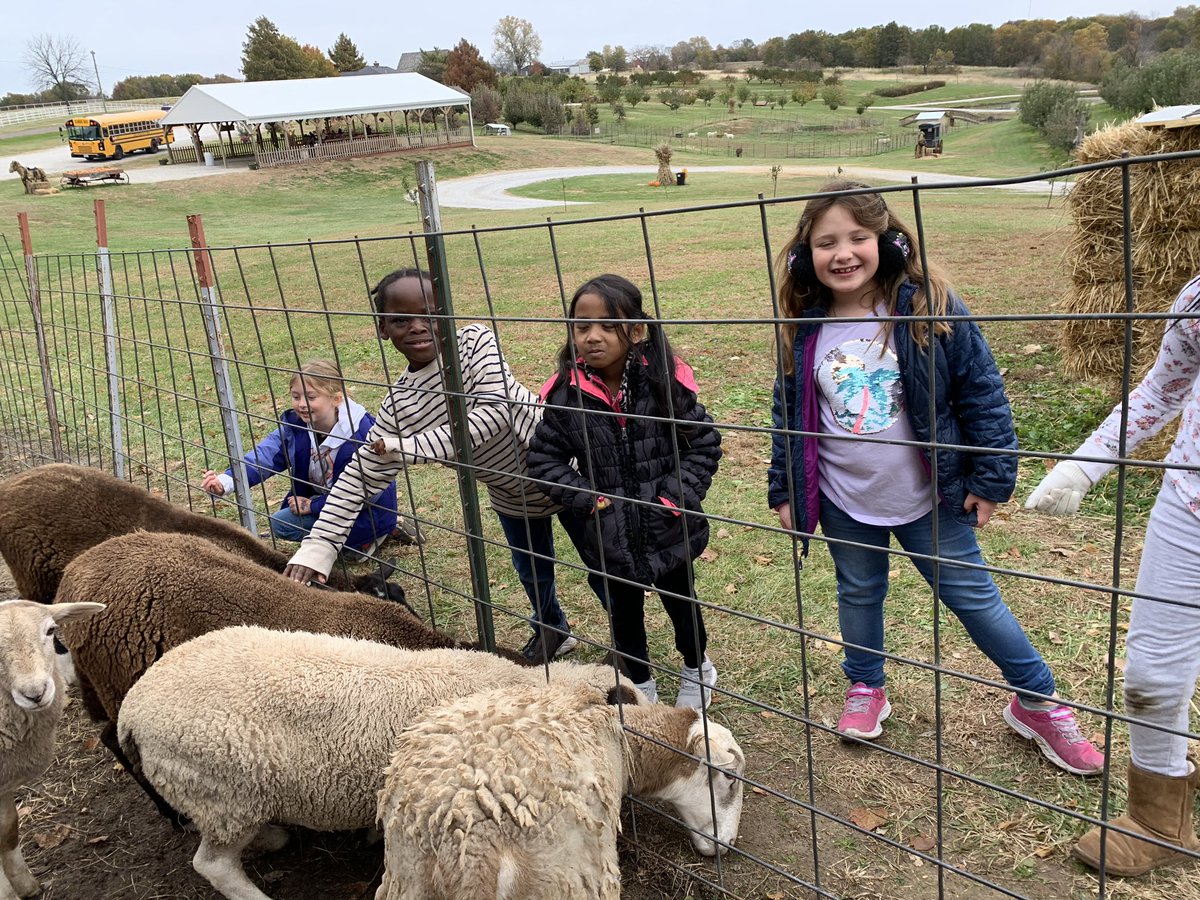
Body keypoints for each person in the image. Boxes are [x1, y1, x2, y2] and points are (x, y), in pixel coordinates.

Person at [767, 180, 1103, 774]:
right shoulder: (805, 325)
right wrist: (785, 487)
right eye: (825, 243)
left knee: (974, 599)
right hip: (846, 498)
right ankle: (866, 686)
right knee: (859, 591)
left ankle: (1038, 700)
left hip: (932, 496)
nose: (842, 253)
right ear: (803, 257)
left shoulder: (930, 306)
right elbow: (787, 412)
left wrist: (993, 476)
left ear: (889, 242)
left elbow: (982, 392)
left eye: (858, 238)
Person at [283, 268, 576, 663]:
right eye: (401, 319)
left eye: (431, 313)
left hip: (568, 470)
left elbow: (495, 414)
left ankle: (628, 648)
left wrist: (408, 448)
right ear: (383, 328)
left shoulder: (475, 343)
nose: (419, 327)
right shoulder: (400, 405)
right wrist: (317, 549)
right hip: (510, 493)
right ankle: (552, 628)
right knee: (531, 569)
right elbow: (358, 477)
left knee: (604, 566)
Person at [1026, 273, 1200, 875]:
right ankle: (1158, 820)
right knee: (1151, 674)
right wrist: (1081, 468)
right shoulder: (1198, 297)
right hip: (1191, 504)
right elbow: (1163, 388)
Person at [527, 274, 722, 708]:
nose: (593, 336)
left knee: (681, 600)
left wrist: (676, 497)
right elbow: (543, 461)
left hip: (667, 520)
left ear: (636, 331)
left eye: (607, 325)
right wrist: (587, 500)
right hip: (609, 526)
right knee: (624, 610)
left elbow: (704, 441)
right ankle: (641, 683)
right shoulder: (565, 395)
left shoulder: (664, 383)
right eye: (581, 326)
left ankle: (697, 667)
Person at [200, 359, 398, 557]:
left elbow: (365, 493)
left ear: (336, 399)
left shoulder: (362, 434)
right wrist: (226, 482)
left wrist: (312, 505)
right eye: (296, 396)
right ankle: (346, 540)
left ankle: (373, 535)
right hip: (325, 500)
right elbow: (265, 456)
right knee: (281, 524)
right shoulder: (297, 425)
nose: (302, 404)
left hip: (362, 509)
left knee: (332, 537)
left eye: (311, 397)